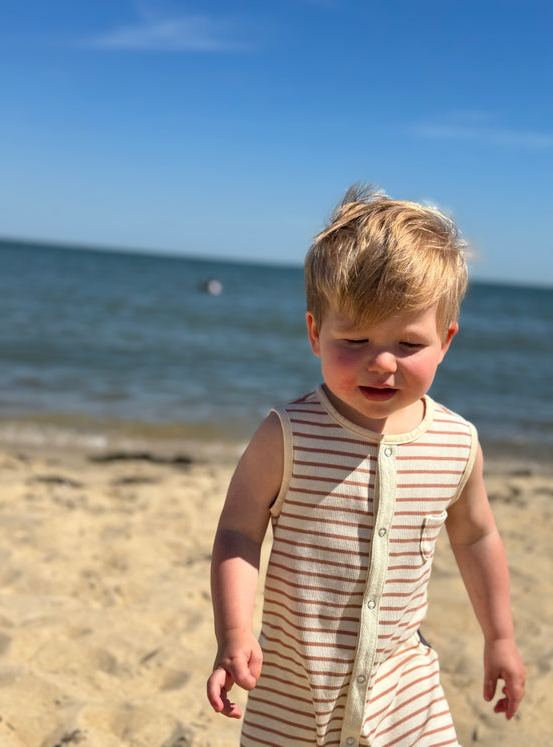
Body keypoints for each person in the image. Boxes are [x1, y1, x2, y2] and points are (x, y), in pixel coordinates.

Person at [206, 185, 525, 746]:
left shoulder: (456, 442)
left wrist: (500, 637)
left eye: (408, 343)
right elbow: (237, 531)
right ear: (314, 333)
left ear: (445, 341)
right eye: (354, 339)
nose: (381, 362)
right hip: (295, 693)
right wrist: (233, 631)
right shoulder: (288, 434)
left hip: (406, 692)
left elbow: (476, 537)